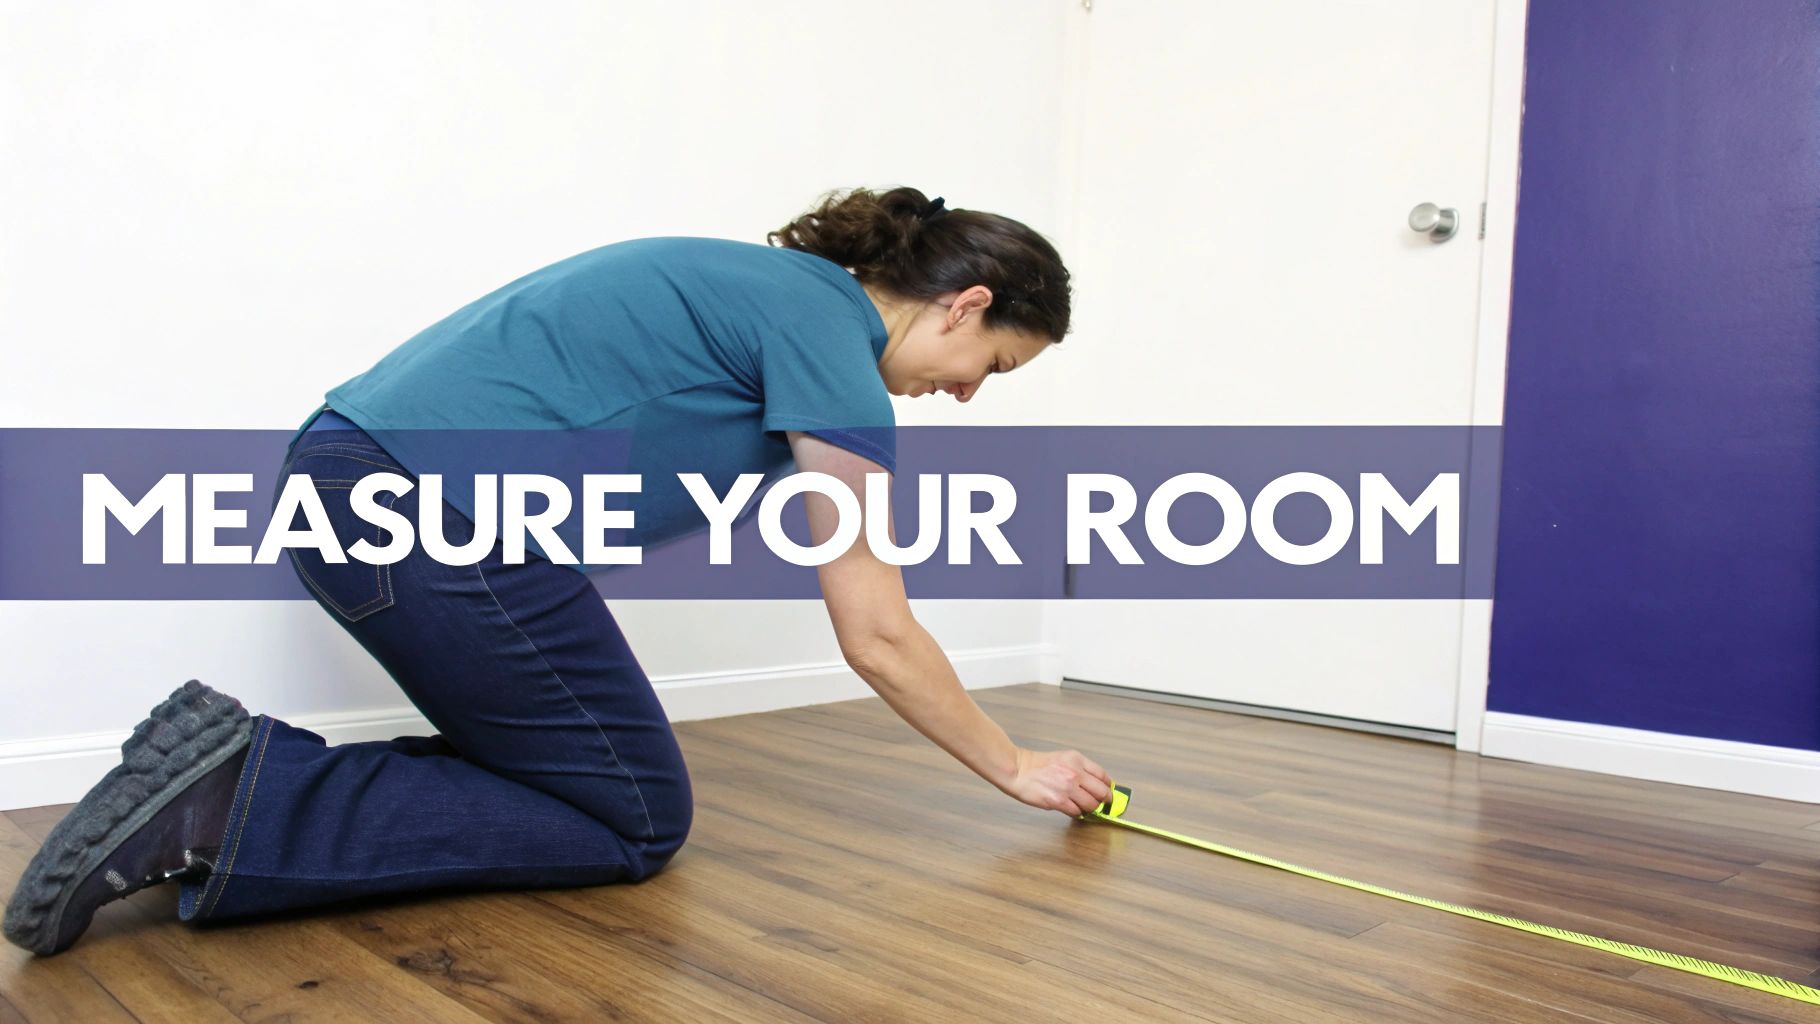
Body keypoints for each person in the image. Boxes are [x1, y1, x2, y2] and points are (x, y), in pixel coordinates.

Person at [4, 186, 1113, 957]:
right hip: (431, 518)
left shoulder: (773, 290)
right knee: (634, 815)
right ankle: (229, 795)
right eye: (992, 364)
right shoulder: (831, 342)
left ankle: (222, 784)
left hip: (351, 484)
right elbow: (875, 629)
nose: (967, 392)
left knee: (572, 772)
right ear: (965, 303)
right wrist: (1015, 764)